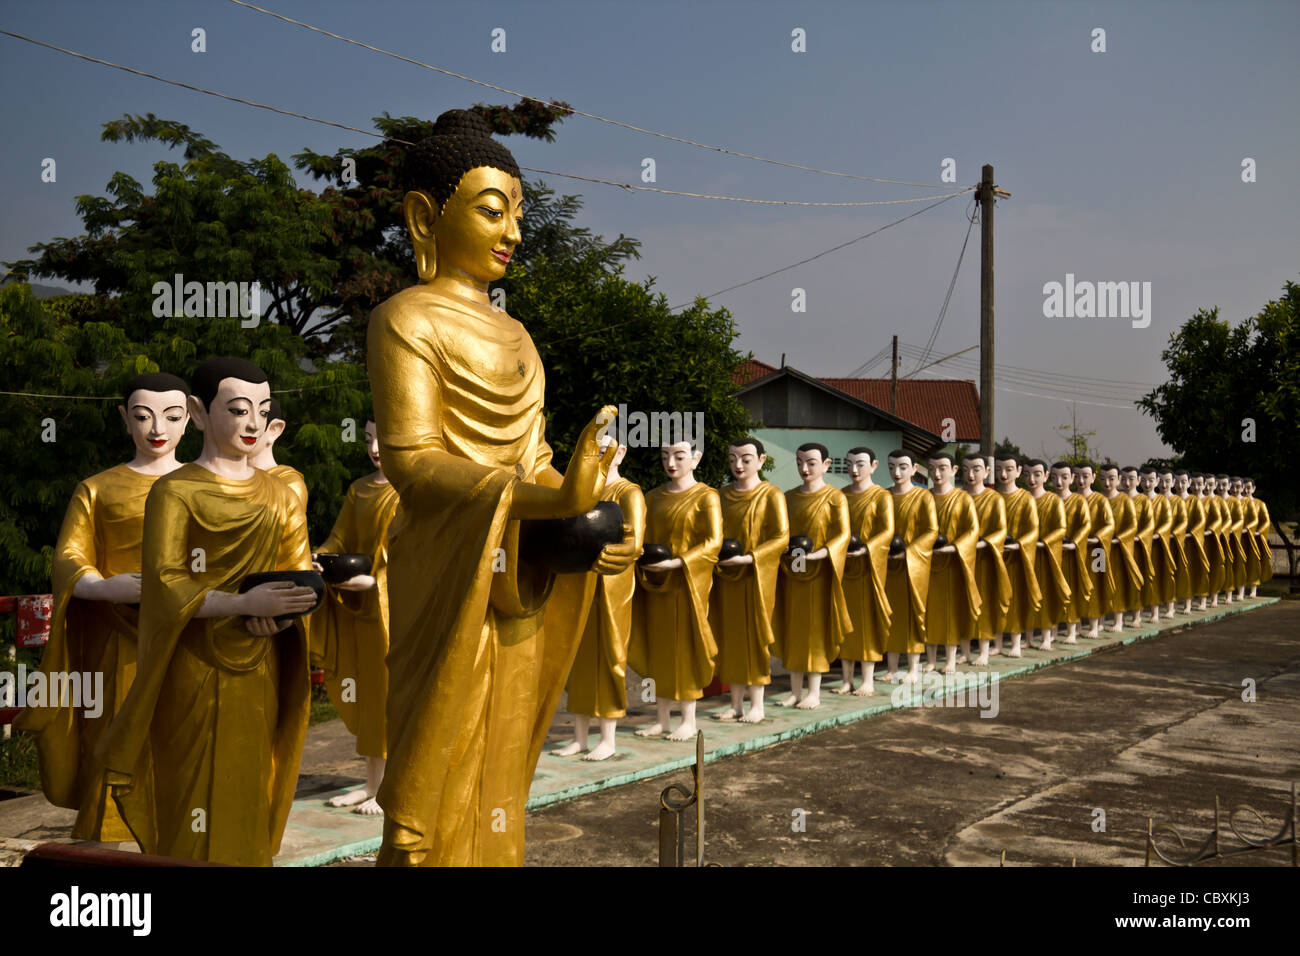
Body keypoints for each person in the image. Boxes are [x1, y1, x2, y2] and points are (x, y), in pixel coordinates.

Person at [364, 110, 638, 866]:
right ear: (426, 215)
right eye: (492, 210)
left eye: (520, 212)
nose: (513, 229)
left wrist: (591, 503)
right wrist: (548, 500)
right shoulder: (405, 319)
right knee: (432, 781)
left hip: (518, 580)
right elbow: (415, 463)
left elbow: (537, 459)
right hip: (449, 576)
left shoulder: (519, 337)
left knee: (501, 773)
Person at [97, 357, 320, 865]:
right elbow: (163, 583)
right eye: (238, 409)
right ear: (199, 413)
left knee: (248, 784)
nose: (252, 424)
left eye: (261, 411)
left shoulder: (281, 495)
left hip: (259, 663)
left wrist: (283, 613)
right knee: (190, 793)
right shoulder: (175, 491)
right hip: (190, 664)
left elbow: (298, 570)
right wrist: (240, 602)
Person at [16, 373, 191, 844]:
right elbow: (68, 557)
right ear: (124, 419)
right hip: (119, 637)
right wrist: (101, 586)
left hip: (191, 633)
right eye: (143, 416)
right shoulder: (97, 488)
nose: (158, 427)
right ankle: (106, 842)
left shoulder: (207, 484)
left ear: (190, 418)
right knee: (114, 734)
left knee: (186, 738)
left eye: (172, 416)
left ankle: (186, 836)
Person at [314, 419, 398, 812]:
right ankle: (371, 782)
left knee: (390, 694)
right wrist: (318, 558)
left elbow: (420, 553)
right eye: (368, 439)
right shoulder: (360, 489)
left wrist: (379, 582)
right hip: (361, 608)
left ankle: (391, 786)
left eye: (384, 438)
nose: (375, 448)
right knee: (365, 694)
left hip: (395, 609)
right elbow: (340, 538)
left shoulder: (413, 491)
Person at [555, 436, 646, 759]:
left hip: (612, 583)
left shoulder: (628, 492)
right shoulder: (581, 492)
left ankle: (608, 737)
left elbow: (634, 544)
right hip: (580, 581)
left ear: (621, 452)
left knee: (610, 654)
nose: (601, 455)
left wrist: (604, 554)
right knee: (578, 655)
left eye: (607, 448)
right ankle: (579, 736)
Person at [630, 438, 722, 739]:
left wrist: (679, 563)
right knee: (659, 650)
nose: (672, 462)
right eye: (665, 456)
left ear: (695, 459)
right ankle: (662, 717)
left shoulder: (706, 497)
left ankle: (688, 718)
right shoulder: (653, 497)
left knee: (684, 649)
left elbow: (713, 542)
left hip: (687, 584)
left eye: (679, 456)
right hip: (656, 583)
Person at [711, 437, 788, 721]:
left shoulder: (771, 495)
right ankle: (735, 703)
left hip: (756, 577)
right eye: (733, 460)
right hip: (727, 575)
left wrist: (751, 558)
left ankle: (757, 704)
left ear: (761, 460)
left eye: (745, 459)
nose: (738, 465)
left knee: (754, 638)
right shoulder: (720, 495)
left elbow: (781, 537)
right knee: (729, 639)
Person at [772, 443, 851, 708]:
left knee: (814, 632)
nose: (804, 469)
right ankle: (795, 690)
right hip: (792, 572)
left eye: (811, 463)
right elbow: (781, 532)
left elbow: (842, 534)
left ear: (826, 465)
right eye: (800, 463)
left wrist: (823, 553)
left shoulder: (835, 497)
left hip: (819, 573)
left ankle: (814, 692)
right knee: (794, 630)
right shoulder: (788, 497)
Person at [837, 447, 893, 695]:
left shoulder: (881, 497)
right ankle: (846, 678)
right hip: (844, 567)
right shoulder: (840, 495)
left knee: (867, 624)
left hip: (869, 567)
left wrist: (867, 549)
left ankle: (867, 679)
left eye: (860, 464)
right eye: (850, 464)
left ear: (874, 465)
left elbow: (887, 531)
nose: (855, 470)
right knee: (844, 623)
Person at [883, 450, 938, 683]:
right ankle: (892, 668)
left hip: (914, 564)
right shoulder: (883, 496)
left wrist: (909, 551)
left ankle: (914, 668)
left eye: (903, 467)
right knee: (890, 615)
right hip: (886, 564)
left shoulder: (924, 497)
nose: (897, 472)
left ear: (915, 469)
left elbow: (931, 531)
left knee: (914, 614)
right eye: (892, 466)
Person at [924, 450, 980, 673]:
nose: (936, 474)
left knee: (950, 613)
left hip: (953, 563)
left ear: (954, 470)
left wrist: (954, 547)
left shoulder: (963, 498)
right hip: (927, 563)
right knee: (928, 611)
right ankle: (929, 659)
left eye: (942, 468)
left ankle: (949, 659)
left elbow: (972, 531)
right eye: (932, 469)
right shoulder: (924, 497)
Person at [962, 453, 1010, 667]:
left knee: (984, 603)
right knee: (961, 604)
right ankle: (964, 650)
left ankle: (983, 650)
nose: (971, 475)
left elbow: (1001, 530)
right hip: (962, 559)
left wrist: (983, 543)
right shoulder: (959, 497)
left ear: (987, 472)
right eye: (966, 469)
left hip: (984, 558)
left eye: (976, 469)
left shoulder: (994, 499)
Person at [995, 454, 1040, 658]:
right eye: (999, 469)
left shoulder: (1025, 498)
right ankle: (996, 642)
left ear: (1018, 471)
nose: (1003, 474)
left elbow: (1033, 529)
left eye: (1009, 469)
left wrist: (1019, 544)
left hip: (1016, 557)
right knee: (994, 599)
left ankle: (1015, 641)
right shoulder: (992, 497)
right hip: (994, 556)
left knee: (1014, 600)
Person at [1072, 462, 1114, 638]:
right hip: (1076, 550)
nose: (1082, 480)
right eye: (1078, 476)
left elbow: (1109, 525)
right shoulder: (1071, 499)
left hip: (1097, 550)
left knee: (1096, 586)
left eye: (1086, 476)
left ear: (1093, 477)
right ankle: (1077, 625)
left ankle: (1095, 625)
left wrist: (1096, 538)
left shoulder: (1100, 500)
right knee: (1075, 585)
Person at [1051, 461, 1091, 644]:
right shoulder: (1049, 500)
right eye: (1055, 477)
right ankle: (1050, 631)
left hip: (1080, 553)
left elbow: (1086, 525)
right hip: (1052, 553)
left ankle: (1072, 630)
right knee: (1051, 591)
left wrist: (1075, 543)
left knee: (1072, 591)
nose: (1059, 481)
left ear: (1071, 478)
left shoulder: (1079, 501)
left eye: (1064, 477)